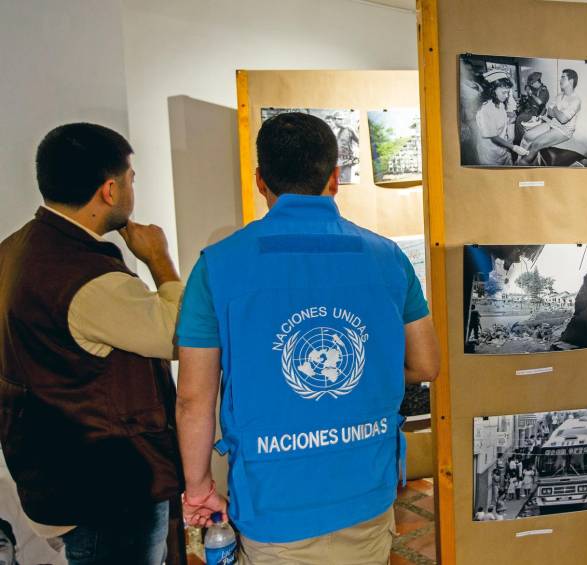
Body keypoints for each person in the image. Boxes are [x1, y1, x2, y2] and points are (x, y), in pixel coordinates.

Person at [175, 112, 439, 564]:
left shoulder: (218, 266)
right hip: (366, 487)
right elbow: (425, 364)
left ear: (261, 181)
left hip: (274, 500)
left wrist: (199, 488)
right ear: (335, 178)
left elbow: (194, 399)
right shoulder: (388, 258)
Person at [0, 123, 184, 564]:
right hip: (106, 488)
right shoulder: (86, 278)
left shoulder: (16, 248)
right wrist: (159, 259)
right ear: (109, 189)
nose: (131, 189)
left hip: (54, 471)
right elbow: (178, 334)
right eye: (130, 179)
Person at [517, 69, 582, 165]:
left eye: (563, 77)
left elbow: (563, 119)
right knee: (526, 135)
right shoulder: (559, 95)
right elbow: (550, 112)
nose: (560, 80)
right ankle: (520, 158)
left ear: (571, 81)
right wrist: (558, 112)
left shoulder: (576, 100)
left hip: (563, 131)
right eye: (560, 77)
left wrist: (555, 108)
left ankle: (522, 164)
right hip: (552, 124)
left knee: (536, 144)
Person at [474, 69, 526, 166]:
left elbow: (499, 116)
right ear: (492, 90)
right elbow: (494, 137)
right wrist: (514, 147)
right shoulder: (484, 109)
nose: (506, 96)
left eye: (507, 92)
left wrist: (509, 117)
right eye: (503, 92)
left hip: (504, 149)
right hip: (490, 153)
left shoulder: (499, 102)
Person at [513, 71, 550, 147]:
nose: (531, 85)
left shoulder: (543, 90)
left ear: (537, 82)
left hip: (537, 112)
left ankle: (520, 141)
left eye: (532, 83)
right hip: (530, 110)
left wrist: (531, 94)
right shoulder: (534, 88)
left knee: (519, 119)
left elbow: (540, 102)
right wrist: (527, 88)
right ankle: (521, 139)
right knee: (517, 113)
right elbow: (526, 86)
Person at [331, 112, 359, 183]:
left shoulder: (349, 129)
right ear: (334, 120)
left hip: (346, 162)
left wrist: (356, 155)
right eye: (339, 119)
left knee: (345, 183)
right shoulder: (330, 131)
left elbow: (360, 141)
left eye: (343, 119)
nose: (342, 121)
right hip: (334, 162)